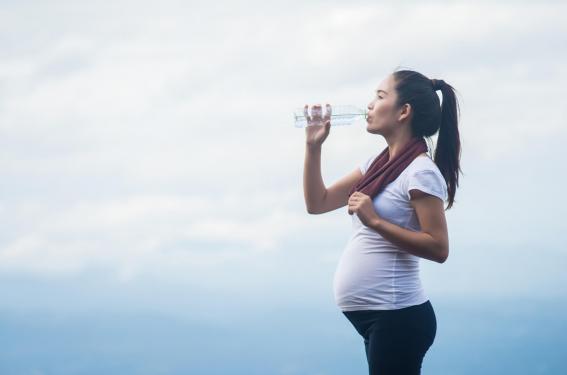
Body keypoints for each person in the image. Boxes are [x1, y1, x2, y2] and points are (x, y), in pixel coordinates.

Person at [302, 69, 462, 374]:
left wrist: (375, 221)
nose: (370, 105)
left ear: (404, 111)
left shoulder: (420, 172)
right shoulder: (376, 165)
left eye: (380, 96)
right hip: (381, 318)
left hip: (398, 316)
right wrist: (313, 147)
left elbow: (439, 247)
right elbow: (317, 203)